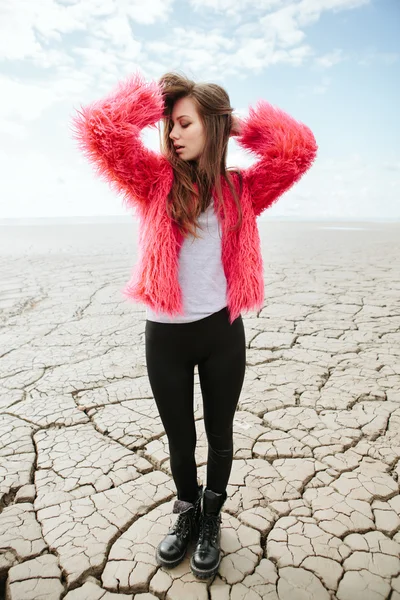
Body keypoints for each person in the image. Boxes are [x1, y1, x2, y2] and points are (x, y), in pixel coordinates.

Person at [72, 70, 317, 580]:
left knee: (220, 434)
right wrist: (152, 102)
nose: (173, 134)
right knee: (180, 439)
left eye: (185, 123)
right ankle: (186, 511)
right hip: (165, 335)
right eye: (170, 125)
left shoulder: (243, 189)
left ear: (212, 127)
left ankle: (212, 517)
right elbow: (101, 129)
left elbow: (297, 151)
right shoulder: (153, 179)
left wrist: (236, 123)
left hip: (221, 332)